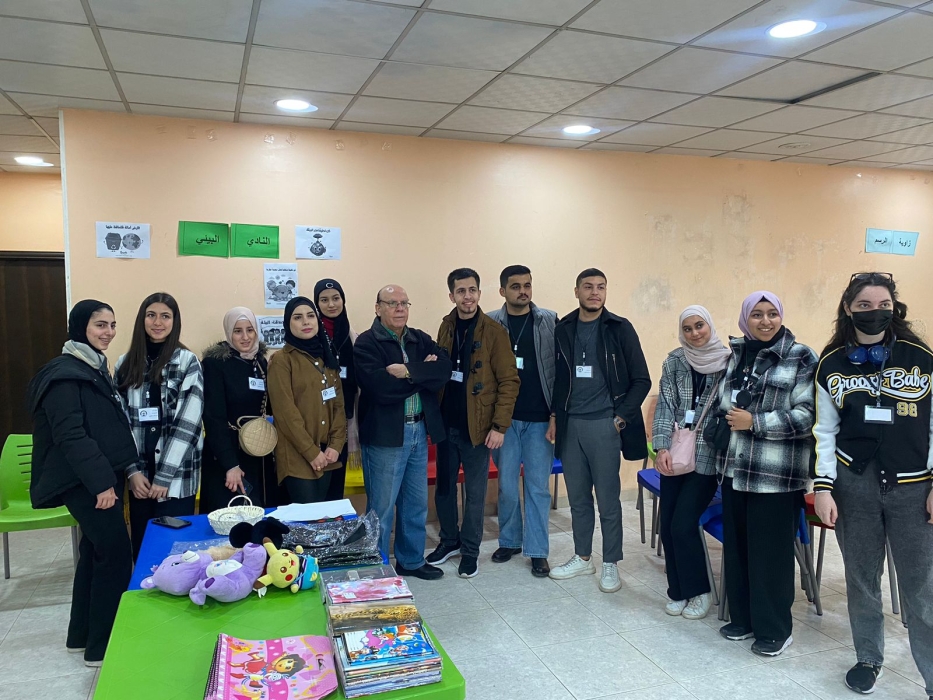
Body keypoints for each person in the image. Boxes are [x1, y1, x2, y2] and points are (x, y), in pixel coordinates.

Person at [812, 272, 933, 697]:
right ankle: (868, 657)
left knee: (922, 587)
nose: (874, 312)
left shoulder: (921, 357)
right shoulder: (831, 363)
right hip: (854, 485)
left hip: (914, 488)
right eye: (864, 305)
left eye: (883, 305)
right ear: (848, 308)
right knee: (861, 578)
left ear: (894, 308)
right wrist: (823, 487)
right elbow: (825, 431)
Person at [26, 300, 137, 667]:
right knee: (115, 554)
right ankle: (103, 646)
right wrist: (102, 484)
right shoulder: (65, 375)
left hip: (98, 477)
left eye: (112, 324)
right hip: (87, 482)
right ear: (79, 327)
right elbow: (71, 435)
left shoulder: (91, 366)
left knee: (93, 552)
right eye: (100, 325)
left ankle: (81, 637)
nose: (108, 332)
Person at [716, 291, 817, 657]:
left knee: (770, 556)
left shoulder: (801, 356)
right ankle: (744, 619)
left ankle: (775, 629)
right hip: (735, 470)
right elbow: (724, 403)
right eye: (756, 314)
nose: (765, 321)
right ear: (746, 318)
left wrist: (755, 421)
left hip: (775, 476)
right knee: (739, 549)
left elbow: (808, 416)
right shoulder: (737, 354)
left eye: (772, 313)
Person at [547, 268, 651, 593]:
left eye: (601, 287)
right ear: (576, 291)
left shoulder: (619, 328)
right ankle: (583, 557)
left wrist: (619, 419)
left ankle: (610, 562)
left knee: (607, 500)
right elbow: (558, 378)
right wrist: (554, 415)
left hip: (605, 425)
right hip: (571, 425)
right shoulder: (563, 328)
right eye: (588, 287)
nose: (595, 292)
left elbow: (642, 380)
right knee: (578, 499)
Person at [355, 284, 452, 580]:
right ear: (378, 308)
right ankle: (377, 566)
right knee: (381, 509)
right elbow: (381, 390)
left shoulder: (419, 338)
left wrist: (409, 371)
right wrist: (423, 374)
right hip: (385, 437)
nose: (400, 309)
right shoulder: (366, 343)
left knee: (415, 505)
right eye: (392, 303)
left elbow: (444, 369)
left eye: (404, 303)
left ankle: (410, 561)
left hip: (419, 431)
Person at [429, 268, 520, 579]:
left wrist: (499, 426)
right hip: (446, 425)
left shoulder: (495, 332)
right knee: (444, 489)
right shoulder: (446, 325)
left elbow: (509, 381)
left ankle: (470, 551)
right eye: (460, 291)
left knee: (475, 494)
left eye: (472, 290)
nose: (467, 297)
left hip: (478, 429)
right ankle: (449, 541)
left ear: (479, 293)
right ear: (451, 295)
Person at [652, 306, 731, 620]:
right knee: (668, 525)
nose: (695, 333)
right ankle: (678, 590)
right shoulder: (674, 361)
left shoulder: (728, 363)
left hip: (709, 459)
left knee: (683, 524)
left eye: (699, 326)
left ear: (709, 325)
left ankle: (700, 590)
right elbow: (664, 406)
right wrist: (661, 447)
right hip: (675, 453)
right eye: (687, 329)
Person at [116, 292, 203, 559]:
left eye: (165, 316)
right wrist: (132, 471)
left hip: (177, 476)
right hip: (140, 476)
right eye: (151, 315)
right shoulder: (125, 364)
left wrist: (164, 476)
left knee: (175, 553)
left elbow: (189, 421)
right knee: (144, 550)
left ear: (174, 321)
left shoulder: (187, 362)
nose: (157, 322)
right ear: (142, 319)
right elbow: (120, 422)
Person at [487, 265, 556, 577]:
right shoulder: (490, 322)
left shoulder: (549, 320)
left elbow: (559, 371)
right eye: (515, 286)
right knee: (506, 486)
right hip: (506, 421)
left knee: (538, 488)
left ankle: (538, 551)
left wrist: (555, 415)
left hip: (540, 420)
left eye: (527, 285)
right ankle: (510, 540)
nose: (523, 291)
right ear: (503, 291)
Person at [267, 296, 347, 503]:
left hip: (327, 454)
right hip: (297, 456)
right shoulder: (282, 360)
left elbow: (338, 406)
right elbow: (285, 413)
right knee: (306, 518)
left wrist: (336, 445)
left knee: (322, 517)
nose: (306, 322)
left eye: (311, 316)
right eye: (298, 317)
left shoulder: (326, 357)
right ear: (288, 323)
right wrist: (311, 452)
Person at [201, 307, 280, 512]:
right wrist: (230, 465)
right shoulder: (215, 364)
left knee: (260, 512)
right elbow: (213, 417)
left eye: (250, 330)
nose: (245, 337)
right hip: (228, 453)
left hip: (258, 450)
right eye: (238, 331)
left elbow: (267, 406)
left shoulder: (260, 362)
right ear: (229, 332)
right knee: (232, 515)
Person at [315, 278, 360, 501]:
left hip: (344, 417)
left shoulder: (353, 336)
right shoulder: (312, 336)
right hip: (318, 420)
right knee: (318, 485)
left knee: (336, 484)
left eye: (336, 298)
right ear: (317, 304)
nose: (331, 304)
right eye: (324, 300)